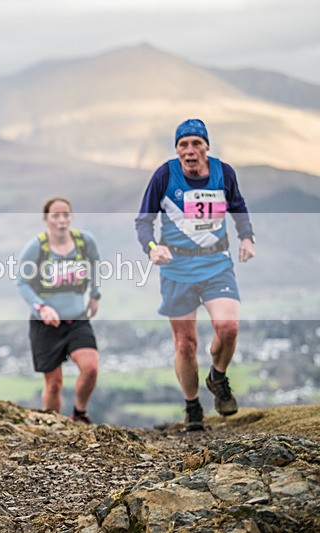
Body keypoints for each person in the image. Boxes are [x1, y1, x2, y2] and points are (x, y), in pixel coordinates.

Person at [135, 118, 255, 431]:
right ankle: (192, 407)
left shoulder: (223, 172)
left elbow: (238, 206)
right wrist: (151, 247)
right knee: (186, 345)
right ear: (177, 150)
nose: (189, 151)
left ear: (206, 147)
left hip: (216, 263)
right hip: (176, 267)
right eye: (183, 145)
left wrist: (247, 237)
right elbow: (143, 221)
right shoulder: (164, 175)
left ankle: (217, 376)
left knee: (228, 328)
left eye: (196, 144)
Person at [16, 197, 101, 423]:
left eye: (66, 215)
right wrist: (42, 308)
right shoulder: (37, 247)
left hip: (77, 319)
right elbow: (22, 282)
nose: (62, 220)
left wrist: (95, 293)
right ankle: (54, 426)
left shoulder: (84, 242)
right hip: (45, 325)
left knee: (90, 368)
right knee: (54, 385)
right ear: (46, 220)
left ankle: (80, 413)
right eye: (56, 216)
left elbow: (95, 264)